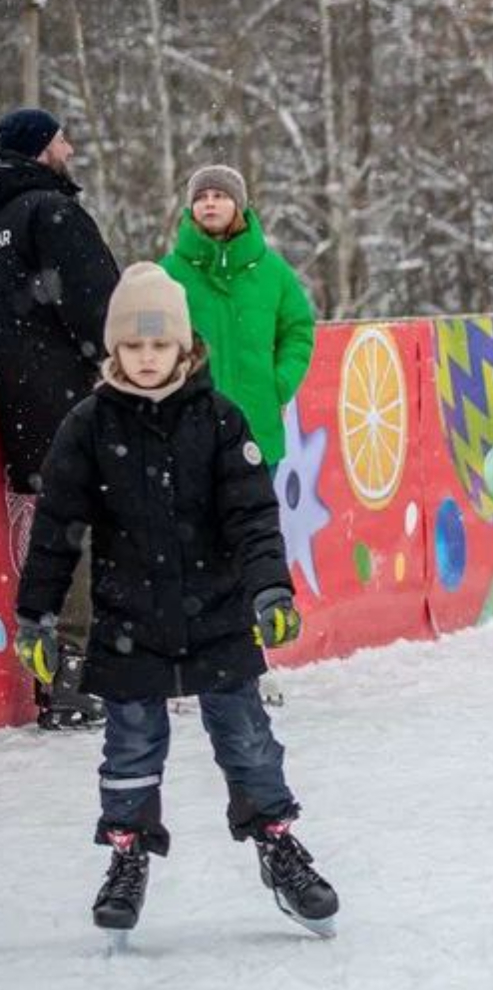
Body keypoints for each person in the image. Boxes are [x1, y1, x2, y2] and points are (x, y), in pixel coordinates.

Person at [12, 264, 336, 939]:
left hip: (217, 619)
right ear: (114, 350)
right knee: (130, 747)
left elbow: (251, 516)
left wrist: (269, 586)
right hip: (129, 622)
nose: (148, 358)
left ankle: (277, 843)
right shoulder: (89, 425)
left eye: (160, 346)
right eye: (133, 346)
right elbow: (56, 532)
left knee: (248, 740)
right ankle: (128, 855)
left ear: (185, 346)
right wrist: (36, 613)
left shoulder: (220, 419)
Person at [0, 106, 120, 729]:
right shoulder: (51, 212)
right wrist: (119, 363)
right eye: (61, 139)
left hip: (17, 401)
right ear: (40, 149)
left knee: (46, 529)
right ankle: (74, 675)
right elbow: (99, 301)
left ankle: (55, 670)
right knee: (78, 526)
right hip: (65, 396)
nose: (69, 148)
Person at [159, 166, 316, 470]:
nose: (209, 203)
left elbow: (297, 331)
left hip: (257, 426)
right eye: (201, 197)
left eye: (220, 195)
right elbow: (146, 337)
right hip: (188, 429)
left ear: (239, 205)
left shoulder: (273, 271)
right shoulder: (168, 272)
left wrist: (279, 384)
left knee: (255, 517)